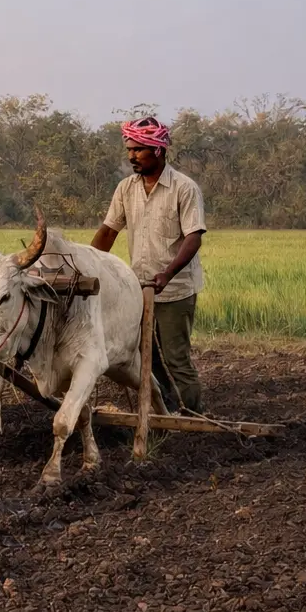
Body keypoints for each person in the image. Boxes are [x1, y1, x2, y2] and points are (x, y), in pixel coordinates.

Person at [91, 117, 207, 412]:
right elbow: (108, 232)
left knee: (176, 358)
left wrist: (168, 274)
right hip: (139, 289)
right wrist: (87, 264)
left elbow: (194, 237)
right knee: (146, 357)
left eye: (139, 150)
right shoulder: (126, 189)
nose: (132, 156)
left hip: (174, 290)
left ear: (158, 150)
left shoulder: (184, 188)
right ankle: (166, 409)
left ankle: (193, 417)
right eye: (129, 150)